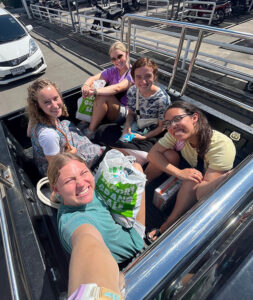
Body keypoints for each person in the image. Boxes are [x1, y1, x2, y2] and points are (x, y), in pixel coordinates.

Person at [47, 153, 146, 298]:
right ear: (56, 188)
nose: (81, 183)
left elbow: (56, 195)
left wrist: (58, 193)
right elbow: (87, 245)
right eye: (70, 181)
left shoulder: (71, 196)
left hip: (115, 219)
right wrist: (95, 295)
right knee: (138, 173)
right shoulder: (75, 224)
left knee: (136, 166)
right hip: (134, 239)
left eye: (84, 172)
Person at [145, 100, 236, 241]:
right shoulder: (175, 132)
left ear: (194, 118)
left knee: (191, 181)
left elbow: (201, 193)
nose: (173, 126)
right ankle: (139, 188)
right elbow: (152, 154)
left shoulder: (221, 146)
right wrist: (179, 173)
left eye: (177, 119)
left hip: (204, 182)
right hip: (188, 167)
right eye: (168, 123)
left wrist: (225, 178)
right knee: (168, 155)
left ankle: (167, 225)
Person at [95, 57, 171, 165]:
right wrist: (127, 126)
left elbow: (162, 127)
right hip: (136, 126)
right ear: (133, 78)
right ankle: (128, 153)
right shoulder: (132, 91)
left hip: (152, 134)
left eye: (148, 76)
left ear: (154, 76)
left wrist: (144, 137)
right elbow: (131, 114)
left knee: (146, 155)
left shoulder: (163, 100)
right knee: (101, 130)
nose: (143, 81)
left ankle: (120, 151)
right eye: (138, 77)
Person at [27, 78, 104, 177]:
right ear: (38, 106)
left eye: (55, 98)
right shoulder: (48, 135)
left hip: (49, 155)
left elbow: (29, 134)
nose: (54, 105)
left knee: (66, 123)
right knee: (96, 150)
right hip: (54, 170)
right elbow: (56, 169)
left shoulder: (35, 116)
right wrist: (72, 154)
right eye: (47, 102)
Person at [81, 41, 133, 139]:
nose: (117, 61)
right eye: (113, 59)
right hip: (113, 107)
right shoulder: (113, 71)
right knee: (94, 87)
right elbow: (94, 78)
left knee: (102, 95)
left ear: (127, 54)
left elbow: (118, 88)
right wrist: (86, 86)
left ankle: (90, 132)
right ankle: (84, 121)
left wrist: (96, 91)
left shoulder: (133, 73)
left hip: (125, 111)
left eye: (119, 56)